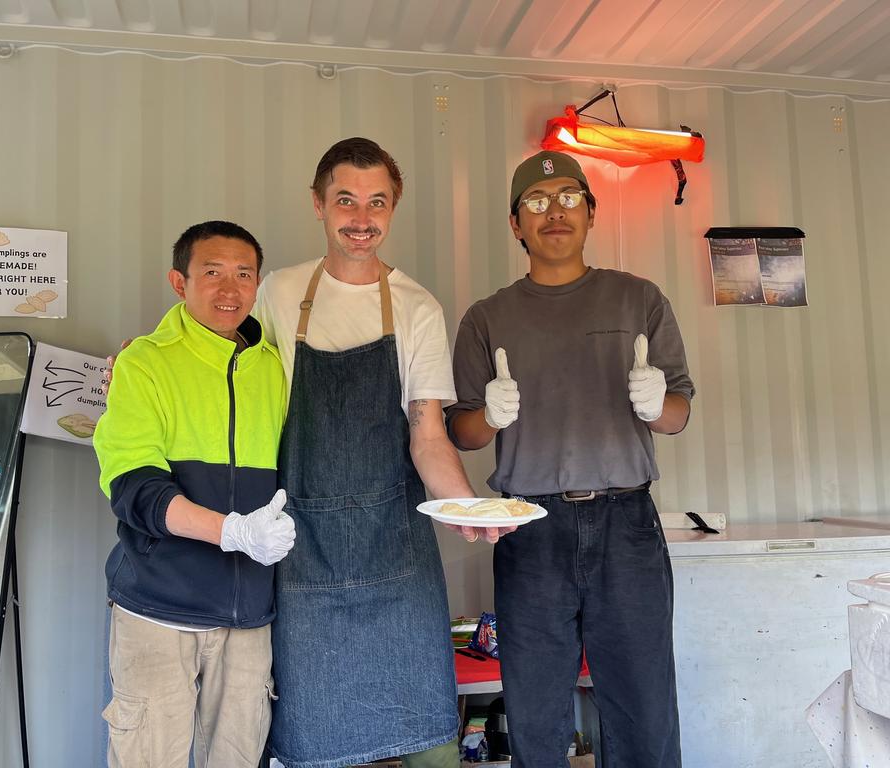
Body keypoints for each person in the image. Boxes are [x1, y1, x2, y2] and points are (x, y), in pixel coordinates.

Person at [254, 137, 502, 768]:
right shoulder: (277, 294)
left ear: (393, 209)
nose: (360, 218)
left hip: (394, 543)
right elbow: (209, 365)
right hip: (303, 547)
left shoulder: (417, 307)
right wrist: (139, 359)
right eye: (345, 200)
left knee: (426, 731)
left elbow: (427, 435)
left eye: (377, 202)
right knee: (314, 735)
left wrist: (468, 507)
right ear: (317, 204)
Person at [446, 151, 695, 768]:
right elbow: (464, 433)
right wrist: (490, 415)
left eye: (567, 198)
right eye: (535, 201)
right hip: (530, 530)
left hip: (626, 526)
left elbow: (679, 413)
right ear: (514, 223)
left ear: (590, 212)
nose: (553, 212)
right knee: (535, 708)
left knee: (643, 704)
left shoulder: (639, 299)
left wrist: (656, 403)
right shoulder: (487, 317)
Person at [93, 220, 295, 768]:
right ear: (179, 282)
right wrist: (231, 531)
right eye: (212, 273)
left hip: (248, 615)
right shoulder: (145, 363)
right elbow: (134, 487)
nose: (229, 290)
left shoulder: (276, 369)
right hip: (159, 607)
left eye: (243, 275)